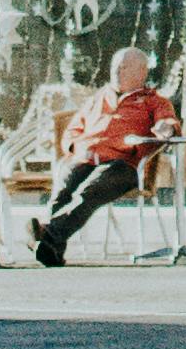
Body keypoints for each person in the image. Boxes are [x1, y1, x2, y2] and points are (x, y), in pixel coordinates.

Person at [26, 48, 176, 266]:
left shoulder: (154, 101)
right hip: (84, 158)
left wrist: (166, 128)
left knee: (89, 191)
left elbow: (169, 125)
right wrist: (76, 148)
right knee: (64, 187)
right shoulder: (98, 98)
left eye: (124, 66)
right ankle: (52, 249)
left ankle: (46, 234)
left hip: (123, 164)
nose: (117, 70)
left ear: (142, 72)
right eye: (115, 65)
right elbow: (72, 131)